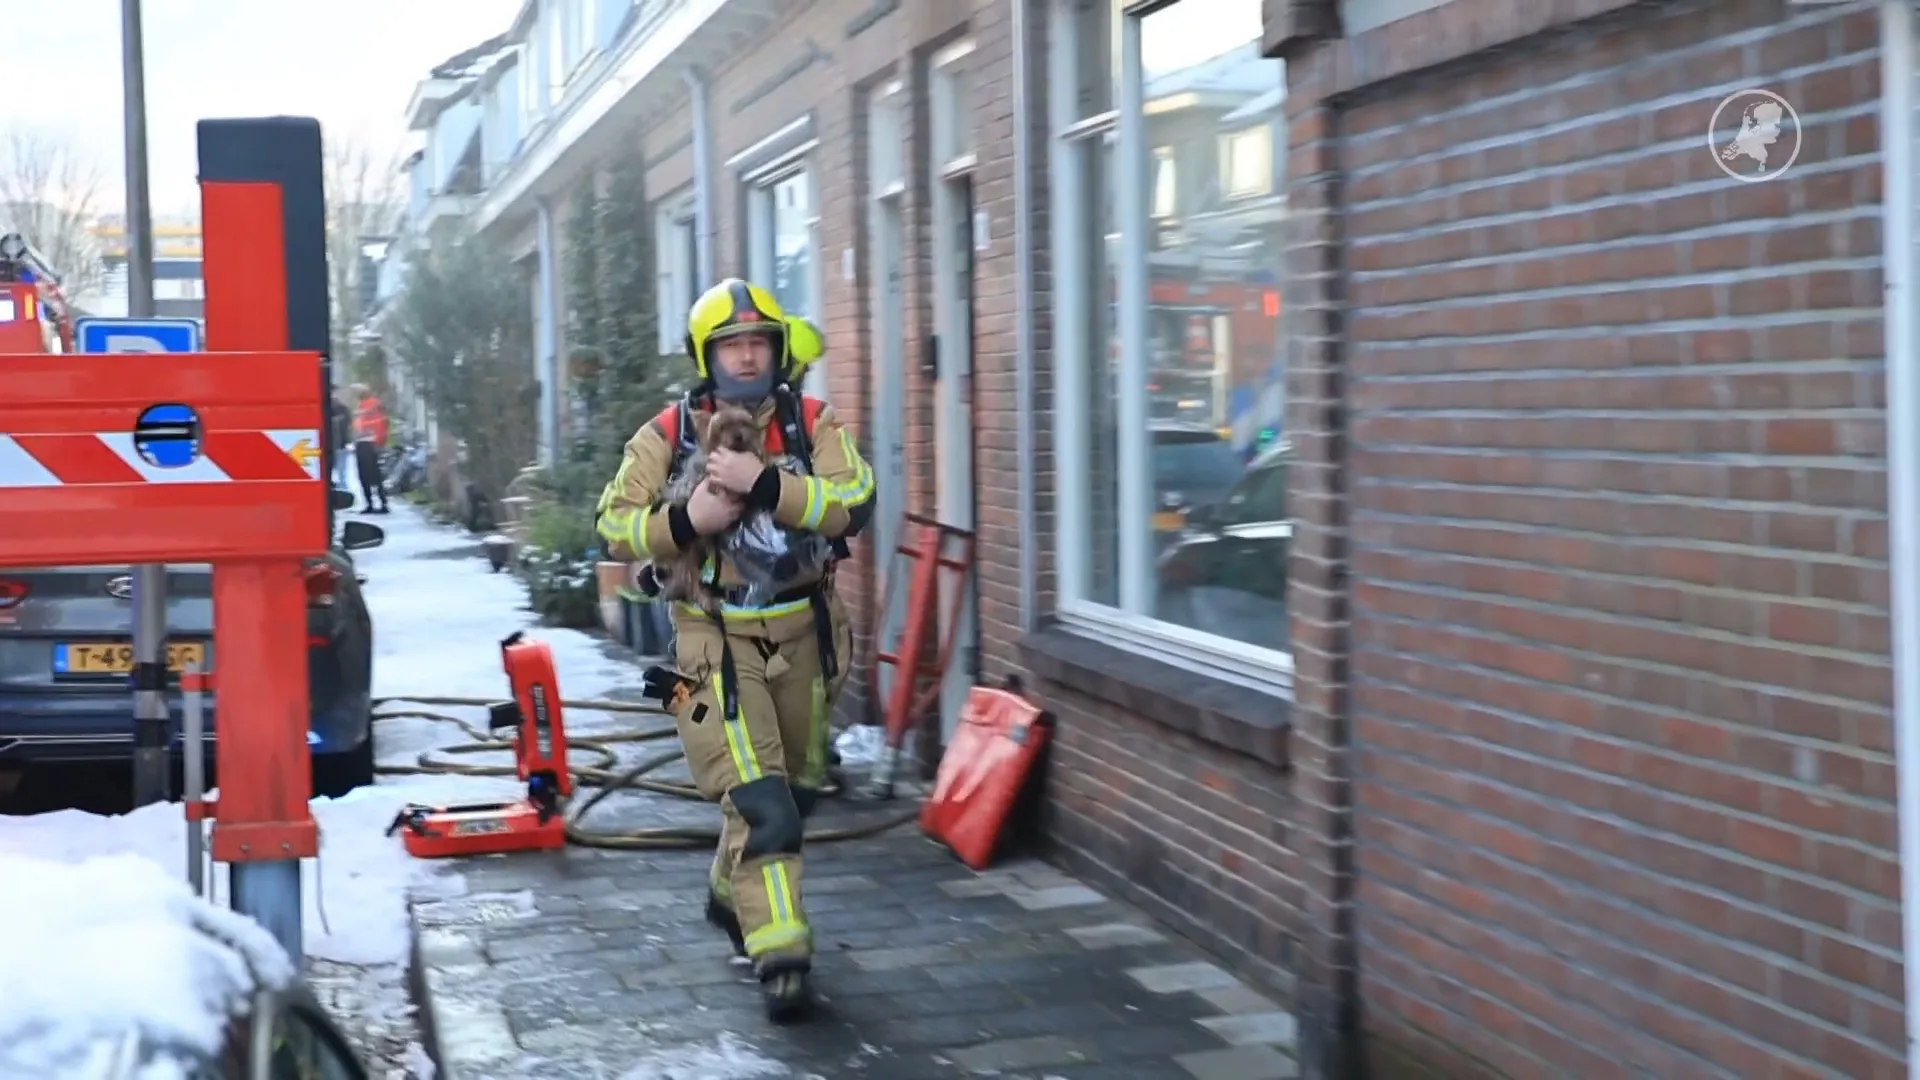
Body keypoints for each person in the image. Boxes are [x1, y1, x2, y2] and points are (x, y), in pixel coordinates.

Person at [595, 278, 874, 1022]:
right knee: (763, 804)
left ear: (778, 351)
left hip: (808, 632)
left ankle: (729, 892)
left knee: (798, 792)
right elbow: (614, 523)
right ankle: (781, 955)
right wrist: (687, 517)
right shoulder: (668, 431)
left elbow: (855, 504)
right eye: (732, 345)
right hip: (711, 640)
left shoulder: (813, 421)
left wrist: (769, 484)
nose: (747, 357)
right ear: (706, 356)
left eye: (759, 343)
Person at [351, 384, 390, 514]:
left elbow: (379, 424)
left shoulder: (371, 406)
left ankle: (375, 503)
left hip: (368, 444)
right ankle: (377, 503)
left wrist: (378, 443)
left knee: (368, 476)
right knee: (371, 476)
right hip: (366, 443)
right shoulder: (364, 405)